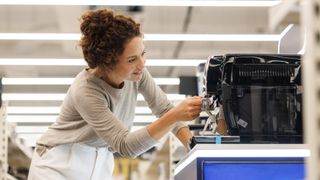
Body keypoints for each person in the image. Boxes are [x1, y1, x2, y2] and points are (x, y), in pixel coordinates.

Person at [27, 8, 202, 180]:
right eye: (131, 59)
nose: (142, 64)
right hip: (58, 164)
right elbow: (126, 145)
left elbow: (164, 108)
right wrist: (174, 116)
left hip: (100, 160)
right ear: (108, 62)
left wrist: (193, 148)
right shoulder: (86, 90)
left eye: (143, 54)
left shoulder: (137, 73)